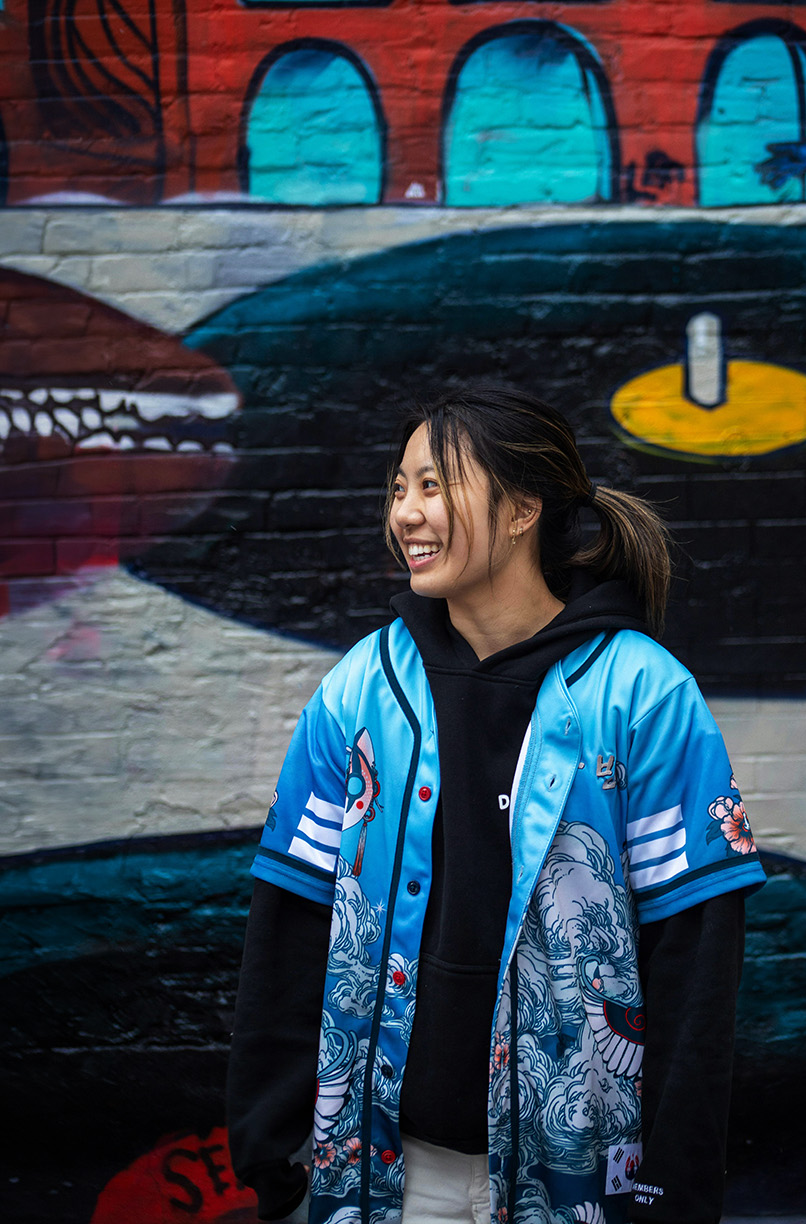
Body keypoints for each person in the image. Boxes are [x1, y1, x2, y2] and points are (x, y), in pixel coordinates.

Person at [227, 386, 764, 1224]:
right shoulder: (361, 689)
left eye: (434, 486)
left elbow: (695, 960)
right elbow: (291, 919)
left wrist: (672, 1190)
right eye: (399, 488)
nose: (405, 513)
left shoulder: (642, 695)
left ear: (521, 510)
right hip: (384, 1175)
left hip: (578, 1180)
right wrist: (272, 1151)